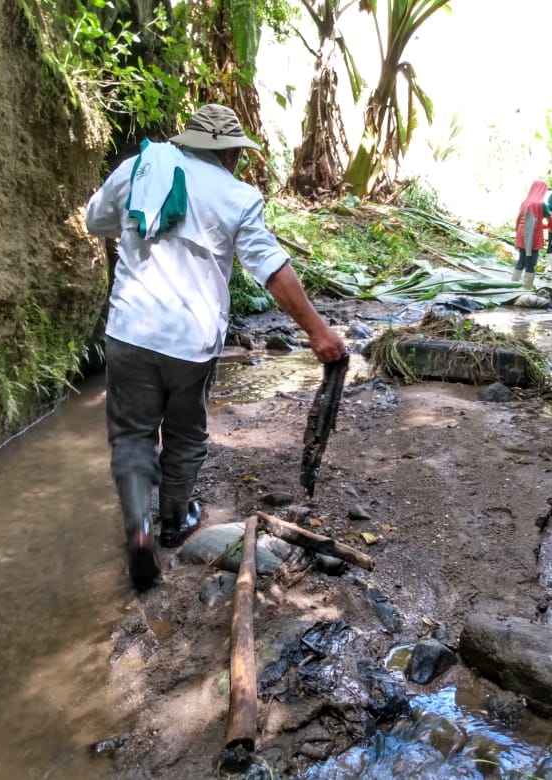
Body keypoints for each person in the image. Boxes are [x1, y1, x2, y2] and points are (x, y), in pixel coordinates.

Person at [85, 104, 346, 592]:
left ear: (189, 142)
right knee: (184, 435)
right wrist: (317, 331)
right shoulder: (237, 196)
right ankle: (174, 522)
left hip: (130, 331)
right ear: (228, 153)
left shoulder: (140, 167)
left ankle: (138, 531)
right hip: (192, 343)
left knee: (133, 436)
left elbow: (93, 220)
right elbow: (269, 268)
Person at [512, 179, 549, 290]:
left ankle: (513, 285)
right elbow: (546, 220)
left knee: (521, 261)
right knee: (531, 264)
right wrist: (550, 227)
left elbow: (519, 219)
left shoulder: (525, 202)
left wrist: (517, 235)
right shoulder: (540, 204)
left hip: (522, 233)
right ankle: (527, 288)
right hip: (532, 237)